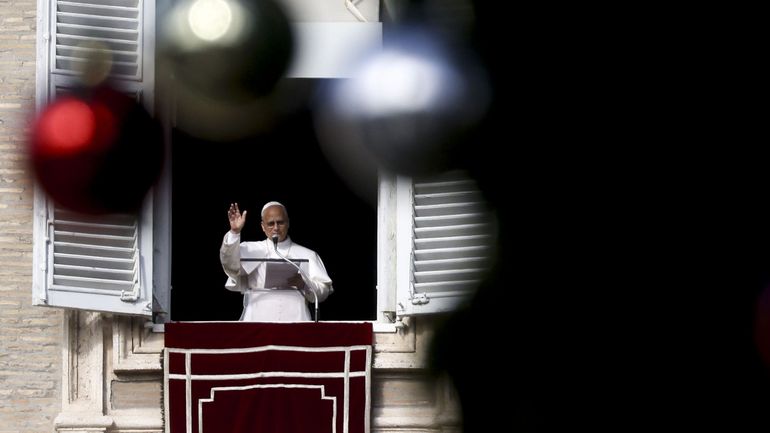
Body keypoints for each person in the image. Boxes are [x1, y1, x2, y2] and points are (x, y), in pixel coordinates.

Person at [220, 201, 333, 321]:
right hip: (257, 318)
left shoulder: (307, 254)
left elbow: (323, 292)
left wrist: (304, 284)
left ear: (288, 223)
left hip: (296, 319)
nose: (276, 228)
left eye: (280, 222)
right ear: (263, 226)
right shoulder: (250, 249)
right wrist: (234, 233)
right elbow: (230, 266)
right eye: (270, 223)